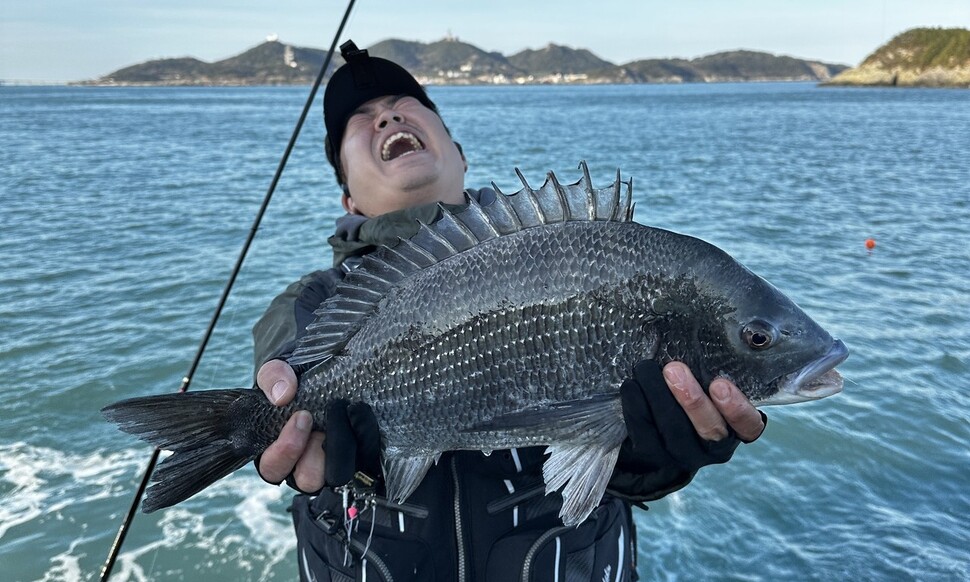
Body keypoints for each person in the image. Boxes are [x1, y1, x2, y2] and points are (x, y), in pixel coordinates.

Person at [251, 40, 766, 582]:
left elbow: (605, 464)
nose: (387, 115)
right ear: (349, 200)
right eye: (361, 119)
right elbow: (287, 359)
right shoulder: (314, 300)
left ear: (459, 153)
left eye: (405, 102)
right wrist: (282, 407)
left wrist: (649, 457)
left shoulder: (558, 256)